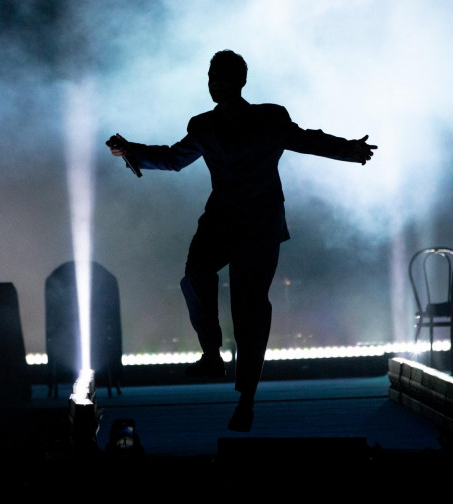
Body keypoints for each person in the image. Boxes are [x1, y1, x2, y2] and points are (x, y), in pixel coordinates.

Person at [109, 49, 377, 432]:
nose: (214, 82)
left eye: (221, 75)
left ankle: (246, 399)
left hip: (260, 224)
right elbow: (173, 158)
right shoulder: (203, 125)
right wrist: (130, 150)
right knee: (194, 274)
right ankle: (212, 354)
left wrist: (348, 149)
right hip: (220, 220)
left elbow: (305, 140)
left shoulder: (269, 117)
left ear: (240, 81)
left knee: (249, 310)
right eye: (211, 76)